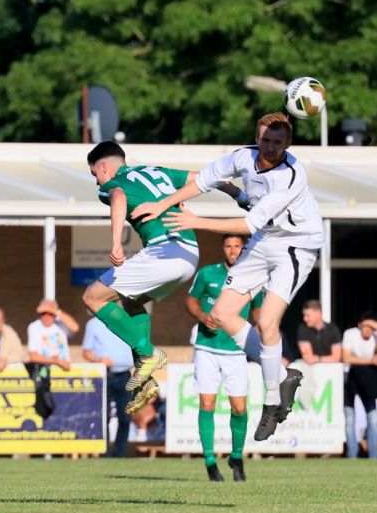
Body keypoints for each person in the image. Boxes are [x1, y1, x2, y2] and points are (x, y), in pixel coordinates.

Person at [132, 112, 320, 440]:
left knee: (266, 324)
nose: (271, 147)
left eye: (278, 142)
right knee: (220, 313)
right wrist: (163, 205)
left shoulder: (291, 175)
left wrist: (197, 222)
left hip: (296, 244)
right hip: (264, 242)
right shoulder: (242, 156)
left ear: (288, 144)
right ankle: (281, 375)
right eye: (266, 140)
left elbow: (248, 225)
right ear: (257, 137)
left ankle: (272, 401)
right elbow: (202, 182)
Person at [81, 141, 247, 415]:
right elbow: (207, 177)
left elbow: (119, 196)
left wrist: (115, 243)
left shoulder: (113, 184)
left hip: (164, 252)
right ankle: (144, 379)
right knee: (131, 301)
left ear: (104, 167)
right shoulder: (155, 171)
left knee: (92, 297)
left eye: (95, 175)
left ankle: (148, 354)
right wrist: (238, 195)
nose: (96, 181)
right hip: (189, 253)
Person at [187, 234, 263, 482]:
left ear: (244, 249)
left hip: (236, 350)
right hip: (206, 348)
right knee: (207, 404)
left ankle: (237, 456)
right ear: (223, 248)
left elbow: (260, 312)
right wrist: (201, 316)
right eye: (228, 246)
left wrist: (262, 333)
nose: (232, 250)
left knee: (239, 408)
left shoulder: (253, 277)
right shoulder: (208, 274)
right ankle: (210, 462)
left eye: (237, 246)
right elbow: (191, 301)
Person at [82, 316, 134, 458]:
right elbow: (86, 352)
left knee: (125, 417)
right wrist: (99, 359)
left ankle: (119, 454)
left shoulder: (126, 321)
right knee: (104, 416)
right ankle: (104, 452)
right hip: (104, 374)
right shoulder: (93, 324)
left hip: (125, 374)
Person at [342, 313, 377, 459]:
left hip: (367, 380)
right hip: (350, 378)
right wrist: (370, 360)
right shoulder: (350, 334)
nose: (369, 330)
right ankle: (352, 454)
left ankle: (373, 454)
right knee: (350, 417)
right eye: (366, 326)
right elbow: (347, 358)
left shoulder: (375, 336)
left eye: (372, 327)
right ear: (359, 325)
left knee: (373, 417)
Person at [27, 298, 80, 372]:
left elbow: (75, 328)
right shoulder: (34, 327)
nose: (46, 316)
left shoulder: (61, 324)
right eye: (43, 313)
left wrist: (56, 311)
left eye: (50, 314)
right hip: (43, 372)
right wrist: (57, 361)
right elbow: (33, 356)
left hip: (64, 372)